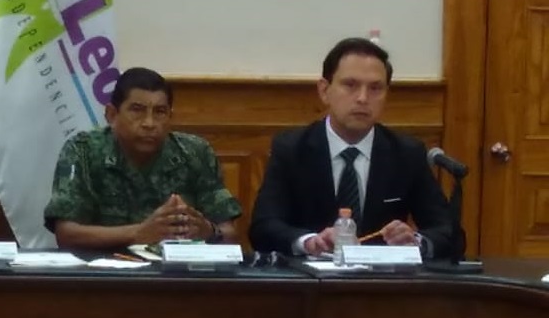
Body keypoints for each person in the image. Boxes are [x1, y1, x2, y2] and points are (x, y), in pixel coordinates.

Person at [249, 37, 452, 258]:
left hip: (384, 283)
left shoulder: (406, 153)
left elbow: (448, 231)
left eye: (375, 88)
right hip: (310, 284)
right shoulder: (292, 149)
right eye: (350, 85)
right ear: (324, 90)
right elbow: (263, 227)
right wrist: (309, 242)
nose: (363, 98)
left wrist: (416, 242)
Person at [44, 67, 241, 249]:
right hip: (106, 278)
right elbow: (67, 235)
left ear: (171, 116)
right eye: (137, 110)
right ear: (112, 115)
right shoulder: (83, 150)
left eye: (160, 112)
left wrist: (208, 231)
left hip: (177, 278)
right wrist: (139, 233)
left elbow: (230, 235)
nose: (149, 123)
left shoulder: (195, 152)